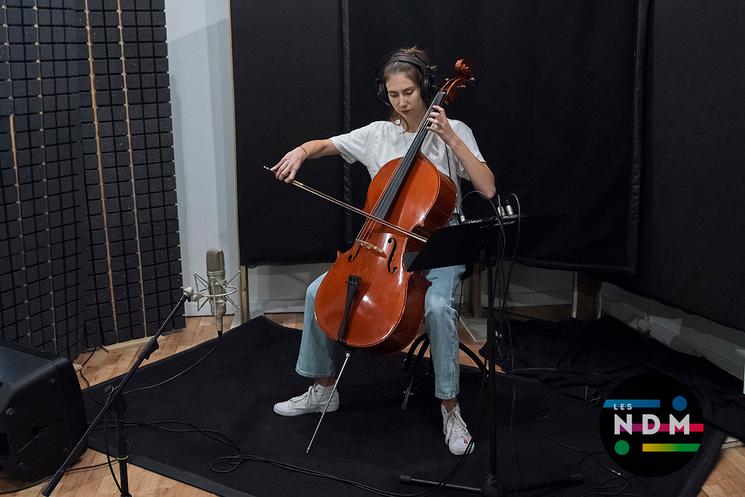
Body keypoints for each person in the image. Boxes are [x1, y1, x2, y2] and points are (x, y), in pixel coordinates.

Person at [269, 47, 496, 456]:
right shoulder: (378, 135)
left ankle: (449, 407)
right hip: (383, 248)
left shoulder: (454, 129)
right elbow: (326, 145)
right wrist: (301, 151)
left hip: (437, 246)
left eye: (408, 91)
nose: (403, 101)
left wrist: (447, 137)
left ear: (425, 87)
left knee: (438, 308)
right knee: (316, 291)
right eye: (394, 95)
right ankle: (322, 389)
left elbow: (488, 186)